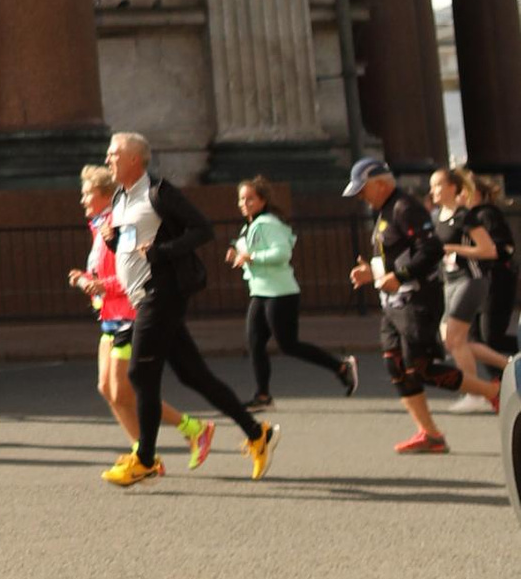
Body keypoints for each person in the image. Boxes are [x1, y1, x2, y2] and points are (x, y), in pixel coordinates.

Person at [105, 130, 274, 486]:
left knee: (139, 374)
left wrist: (161, 253)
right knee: (193, 375)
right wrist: (115, 241)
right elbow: (133, 240)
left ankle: (145, 460)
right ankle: (258, 433)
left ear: (135, 159)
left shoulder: (159, 192)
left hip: (161, 293)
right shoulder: (120, 196)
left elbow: (203, 229)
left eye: (114, 154)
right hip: (142, 297)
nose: (108, 160)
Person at [74, 162, 206, 460]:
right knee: (106, 389)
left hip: (130, 315)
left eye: (87, 194)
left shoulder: (119, 225)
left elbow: (133, 271)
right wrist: (86, 280)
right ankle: (142, 451)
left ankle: (190, 429)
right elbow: (102, 270)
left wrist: (102, 286)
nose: (82, 200)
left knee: (124, 392)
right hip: (109, 316)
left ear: (106, 195)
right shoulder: (98, 227)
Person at [348, 149, 448, 453]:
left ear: (380, 184)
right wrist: (372, 272)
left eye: (363, 190)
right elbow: (392, 255)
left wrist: (401, 276)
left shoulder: (405, 207)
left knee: (421, 367)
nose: (361, 197)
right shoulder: (384, 211)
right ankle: (430, 435)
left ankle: (493, 391)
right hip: (393, 302)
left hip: (417, 298)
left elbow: (431, 250)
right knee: (395, 364)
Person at [228, 178, 355, 407]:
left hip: (280, 293)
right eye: (241, 199)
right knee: (255, 342)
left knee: (289, 345)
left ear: (262, 201)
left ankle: (341, 367)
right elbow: (252, 252)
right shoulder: (252, 224)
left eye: (250, 199)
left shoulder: (267, 223)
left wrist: (251, 257)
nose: (244, 203)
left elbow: (282, 253)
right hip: (261, 292)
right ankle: (263, 396)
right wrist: (239, 256)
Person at [436, 165, 513, 410]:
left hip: (486, 280)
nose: (433, 191)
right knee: (463, 339)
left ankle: (484, 390)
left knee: (483, 336)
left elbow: (496, 249)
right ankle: (504, 371)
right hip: (454, 280)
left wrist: (457, 250)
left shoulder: (478, 215)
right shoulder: (442, 215)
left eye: (438, 185)